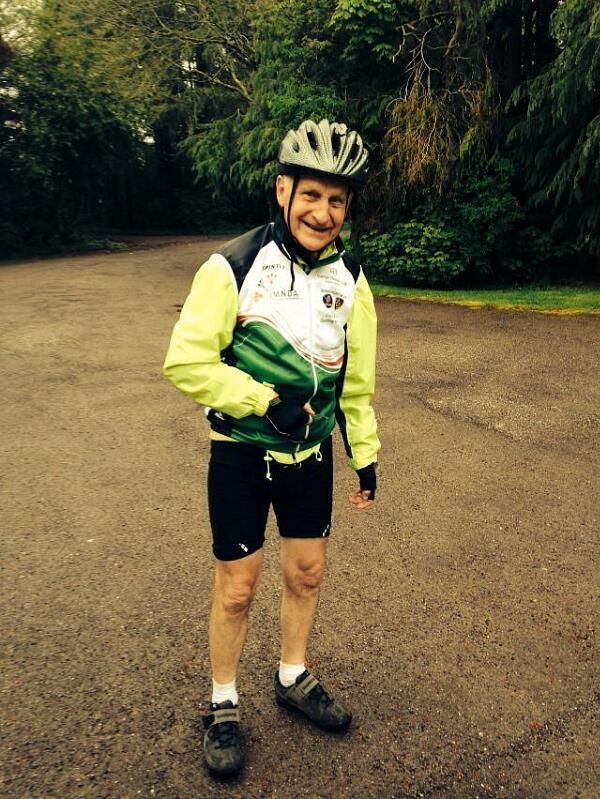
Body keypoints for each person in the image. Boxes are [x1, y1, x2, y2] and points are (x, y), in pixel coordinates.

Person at [162, 118, 380, 777]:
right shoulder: (231, 266)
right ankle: (222, 701)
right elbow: (185, 362)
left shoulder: (351, 278)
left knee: (306, 573)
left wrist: (364, 452)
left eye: (336, 200)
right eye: (311, 194)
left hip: (310, 460)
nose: (323, 212)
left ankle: (292, 675)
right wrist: (262, 399)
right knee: (237, 588)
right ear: (283, 191)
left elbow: (356, 380)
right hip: (240, 453)